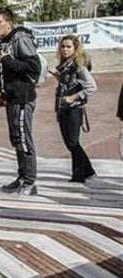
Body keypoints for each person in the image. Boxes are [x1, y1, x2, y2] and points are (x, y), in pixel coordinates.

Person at [0, 7, 41, 195]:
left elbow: (33, 67)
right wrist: (3, 92)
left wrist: (8, 61)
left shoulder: (20, 38)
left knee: (24, 139)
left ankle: (30, 182)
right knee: (16, 139)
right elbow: (5, 70)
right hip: (12, 97)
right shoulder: (4, 40)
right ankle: (22, 176)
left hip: (23, 97)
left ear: (9, 23)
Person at [52, 35, 97, 182]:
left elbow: (91, 86)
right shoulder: (66, 65)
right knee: (70, 142)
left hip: (74, 108)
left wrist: (74, 97)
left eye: (68, 47)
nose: (65, 49)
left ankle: (79, 174)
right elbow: (69, 83)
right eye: (63, 46)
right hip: (63, 107)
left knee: (72, 142)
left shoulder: (79, 66)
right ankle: (88, 171)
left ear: (75, 48)